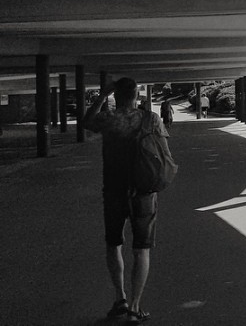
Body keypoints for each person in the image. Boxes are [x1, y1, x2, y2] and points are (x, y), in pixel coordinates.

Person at [82, 77, 169, 324]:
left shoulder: (109, 119)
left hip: (113, 191)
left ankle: (119, 298)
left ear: (116, 95)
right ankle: (135, 306)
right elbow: (163, 151)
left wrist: (101, 96)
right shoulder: (150, 118)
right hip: (143, 191)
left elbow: (86, 122)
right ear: (136, 94)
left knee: (114, 243)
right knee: (141, 249)